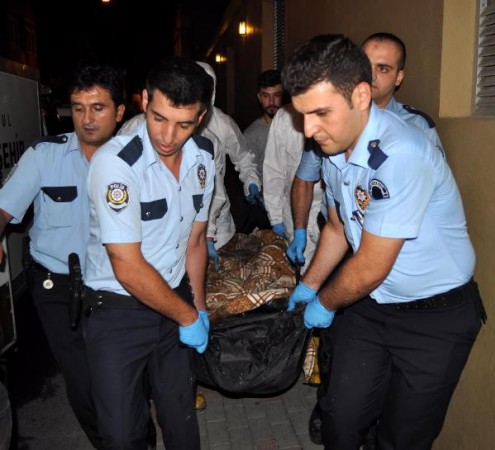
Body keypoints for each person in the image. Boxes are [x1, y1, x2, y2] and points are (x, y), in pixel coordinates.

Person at [283, 34, 486, 450]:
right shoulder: (334, 149)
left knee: (402, 437)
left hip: (434, 316)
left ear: (360, 96)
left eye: (320, 113)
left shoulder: (402, 152)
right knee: (339, 418)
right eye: (302, 114)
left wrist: (324, 303)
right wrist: (309, 284)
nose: (309, 129)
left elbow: (371, 266)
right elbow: (338, 226)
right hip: (373, 305)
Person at [83, 56, 214, 450]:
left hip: (176, 302)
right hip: (118, 313)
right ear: (144, 100)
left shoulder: (204, 158)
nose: (168, 135)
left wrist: (199, 307)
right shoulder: (116, 164)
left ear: (201, 117)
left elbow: (195, 241)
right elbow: (127, 266)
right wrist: (188, 316)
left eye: (184, 124)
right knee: (123, 435)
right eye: (159, 118)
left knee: (181, 418)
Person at [0, 63, 126, 450]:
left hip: (116, 285)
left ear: (119, 112)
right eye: (78, 108)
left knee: (120, 379)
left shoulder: (135, 161)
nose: (86, 119)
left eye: (98, 108)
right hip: (56, 287)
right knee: (82, 381)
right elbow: (2, 209)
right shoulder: (44, 155)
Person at [288, 31, 444, 267]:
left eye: (383, 68)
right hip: (341, 238)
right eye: (365, 64)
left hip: (396, 252)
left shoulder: (416, 129)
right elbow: (305, 178)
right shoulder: (327, 126)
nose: (371, 74)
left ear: (399, 77)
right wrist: (299, 229)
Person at [263, 103, 324, 274]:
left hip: (326, 211)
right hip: (294, 209)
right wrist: (276, 216)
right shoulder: (284, 117)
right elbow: (274, 168)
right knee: (305, 272)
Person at [243, 69, 284, 178]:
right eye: (266, 96)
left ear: (283, 96)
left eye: (276, 95)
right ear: (259, 98)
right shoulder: (251, 135)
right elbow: (249, 173)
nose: (271, 102)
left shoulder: (295, 128)